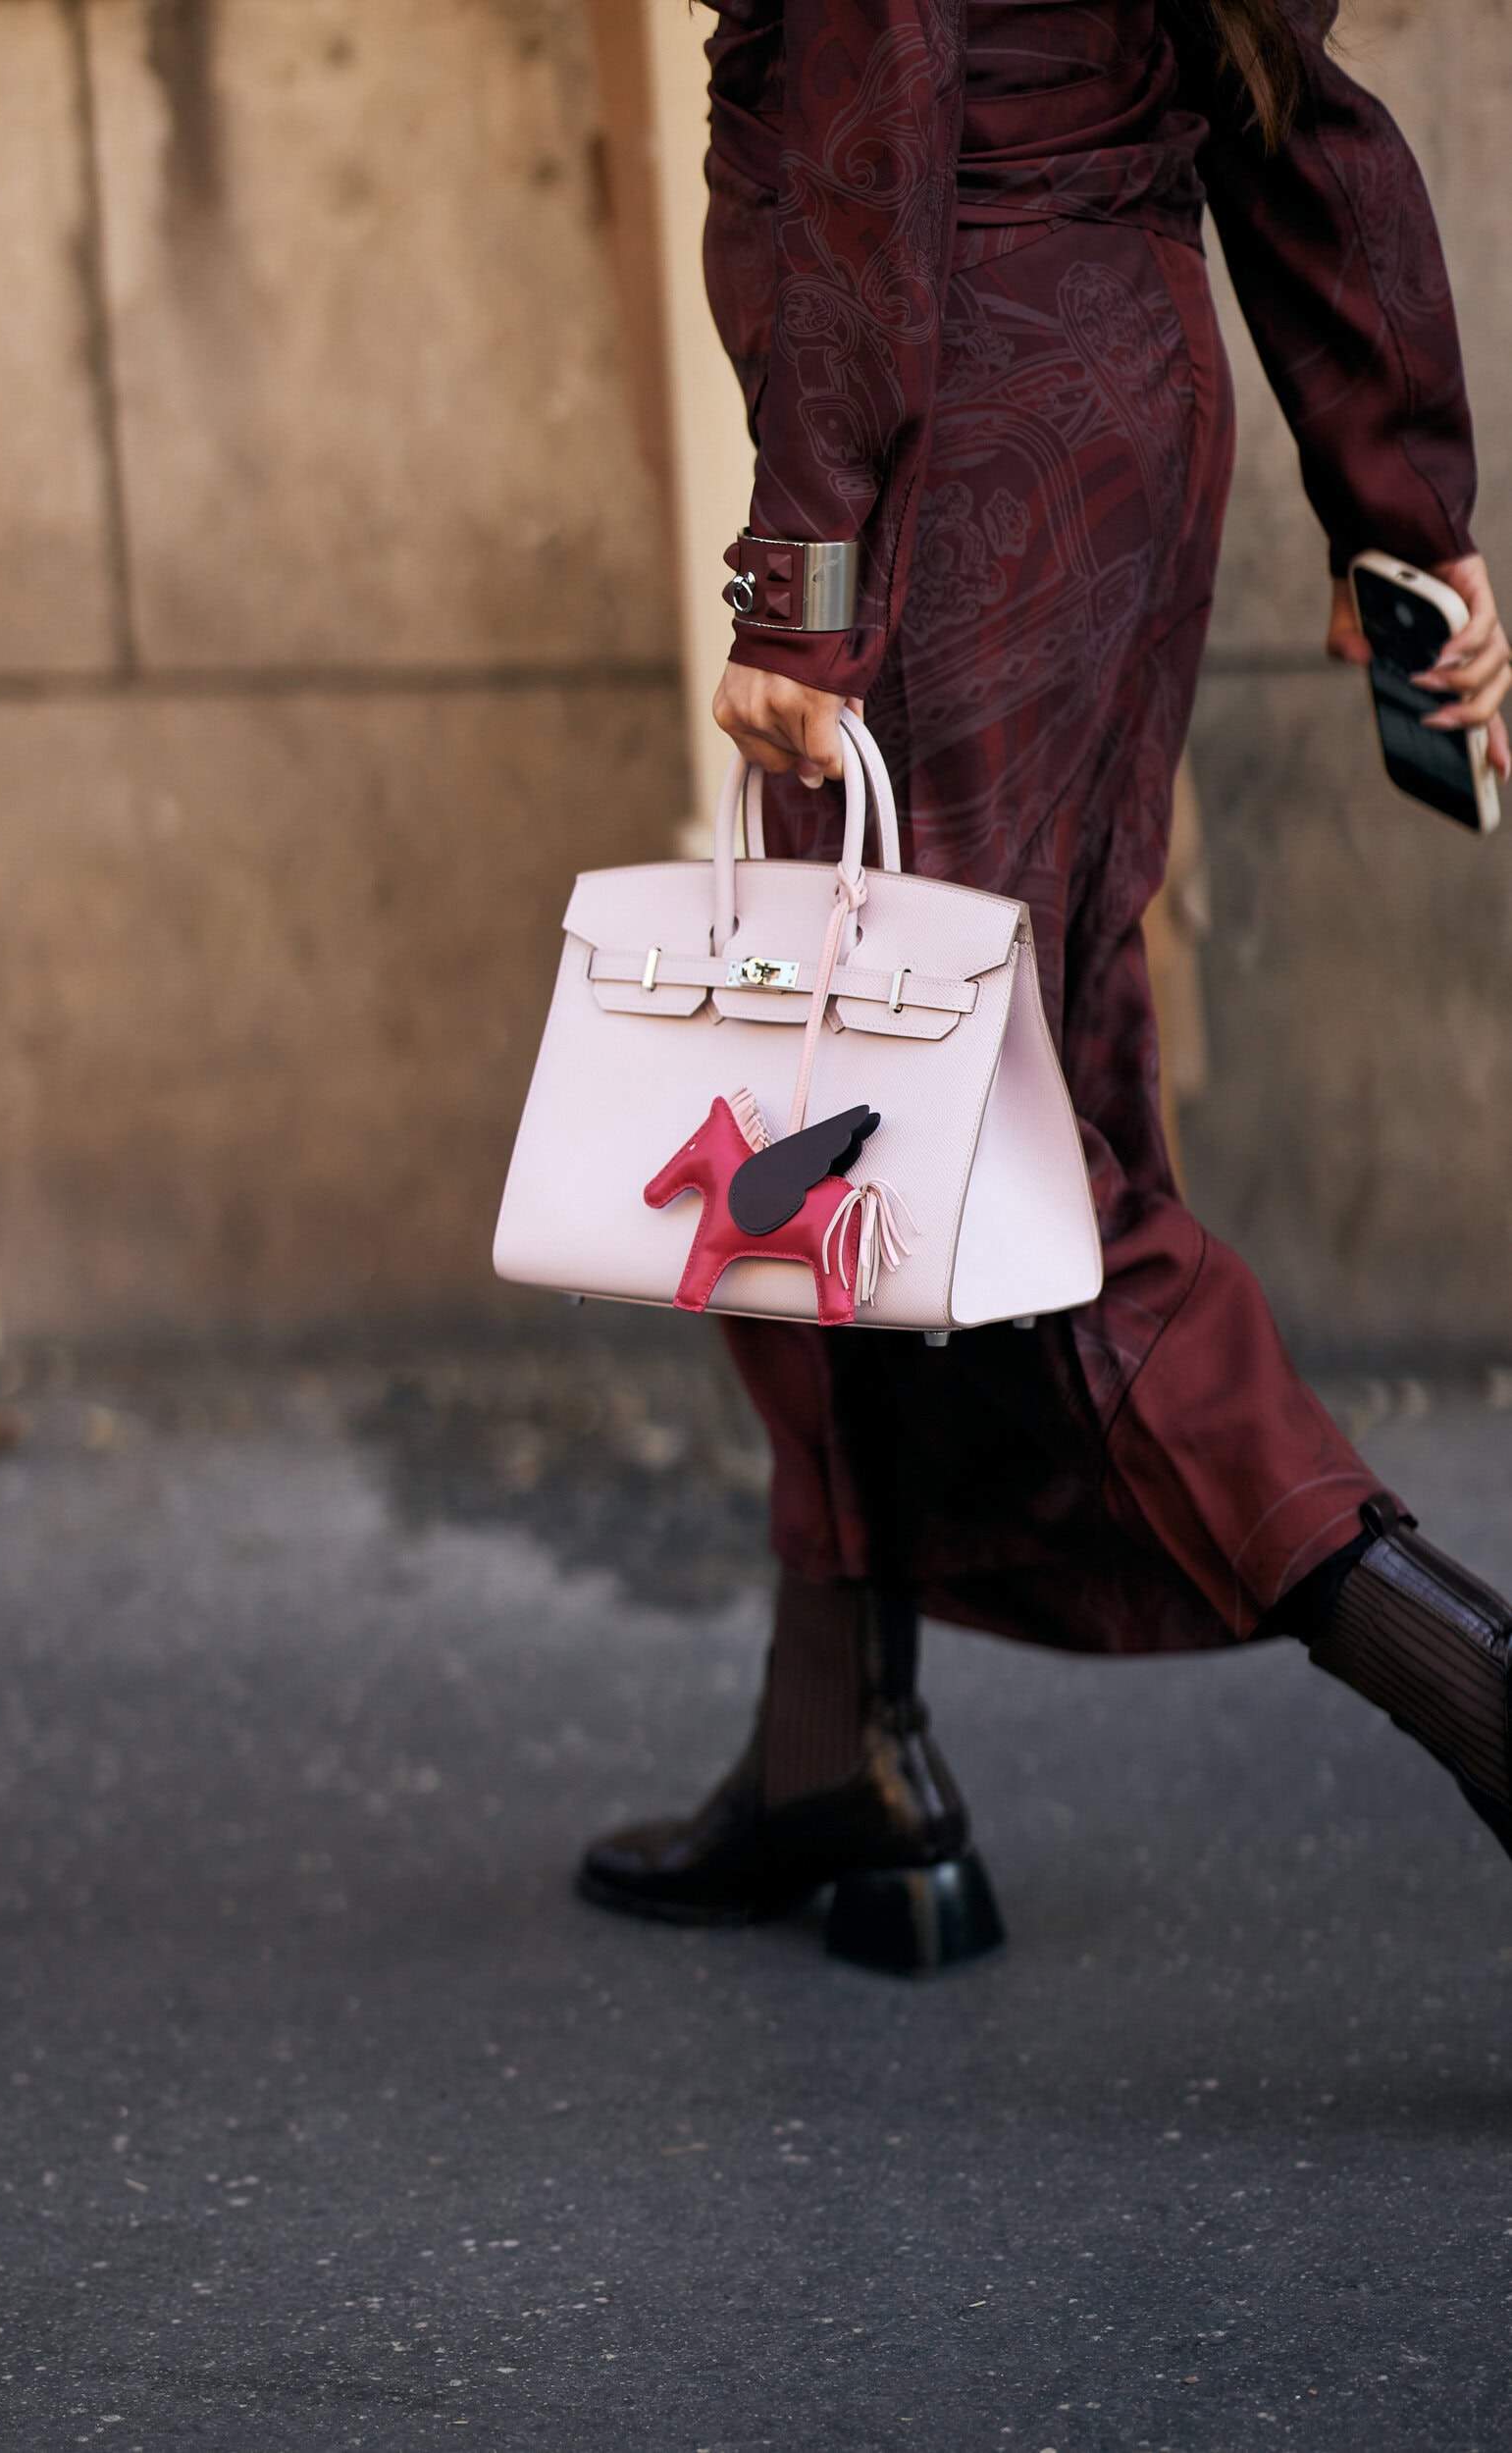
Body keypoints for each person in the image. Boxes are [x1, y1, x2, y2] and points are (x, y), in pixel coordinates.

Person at [577, 0, 1512, 1962]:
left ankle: (1477, 1687)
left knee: (956, 1144)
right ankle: (839, 1745)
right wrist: (1404, 505)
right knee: (854, 1097)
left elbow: (871, 95)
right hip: (1100, 387)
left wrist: (804, 580)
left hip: (948, 430)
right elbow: (1281, 95)